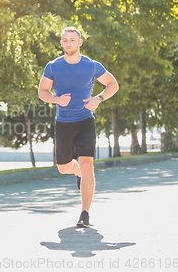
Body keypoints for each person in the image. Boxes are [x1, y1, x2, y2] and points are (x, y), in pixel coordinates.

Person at [38, 27, 119, 228]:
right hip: (64, 123)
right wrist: (56, 99)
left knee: (87, 164)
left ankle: (85, 214)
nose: (68, 44)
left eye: (72, 40)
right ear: (61, 43)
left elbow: (113, 84)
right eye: (65, 40)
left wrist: (98, 98)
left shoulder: (91, 65)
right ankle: (78, 173)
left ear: (80, 42)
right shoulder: (53, 66)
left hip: (85, 121)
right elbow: (42, 91)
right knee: (63, 167)